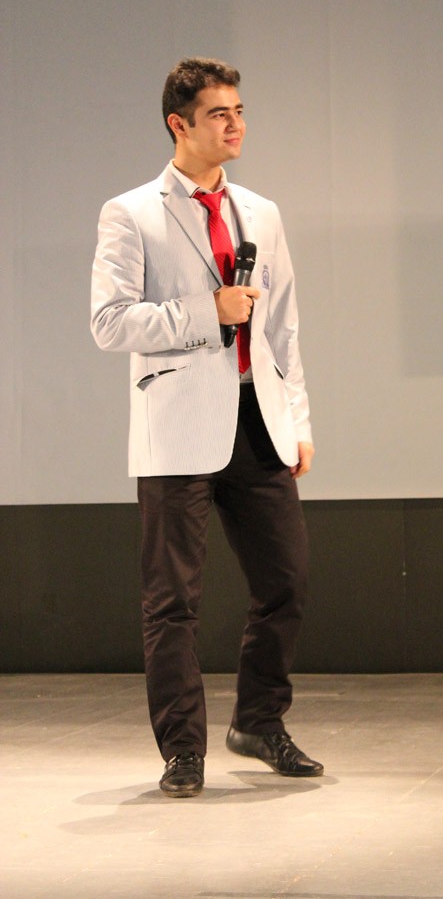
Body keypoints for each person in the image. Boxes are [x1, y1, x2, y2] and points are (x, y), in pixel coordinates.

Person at [91, 56, 322, 797]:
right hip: (178, 430)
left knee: (285, 581)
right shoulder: (132, 212)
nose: (235, 125)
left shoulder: (262, 213)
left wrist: (298, 420)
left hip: (259, 422)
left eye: (239, 111)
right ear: (178, 124)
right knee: (173, 602)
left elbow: (283, 328)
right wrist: (204, 313)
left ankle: (258, 722)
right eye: (219, 113)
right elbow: (109, 322)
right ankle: (182, 750)